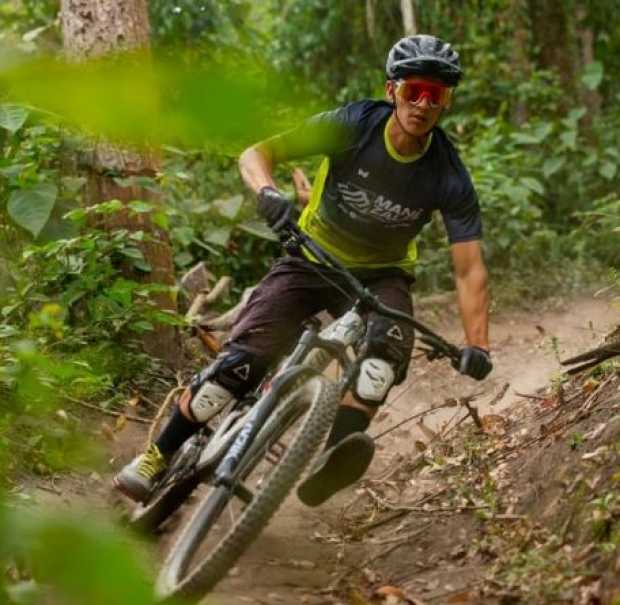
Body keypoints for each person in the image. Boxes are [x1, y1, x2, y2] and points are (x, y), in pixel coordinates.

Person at [114, 34, 492, 507]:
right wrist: (268, 193)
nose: (422, 104)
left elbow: (468, 267)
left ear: (446, 103)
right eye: (413, 89)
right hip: (310, 257)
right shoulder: (354, 124)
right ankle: (157, 454)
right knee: (238, 366)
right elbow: (256, 154)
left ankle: (333, 456)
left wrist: (477, 344)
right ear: (391, 89)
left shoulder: (448, 173)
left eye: (435, 95)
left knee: (381, 360)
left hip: (381, 276)